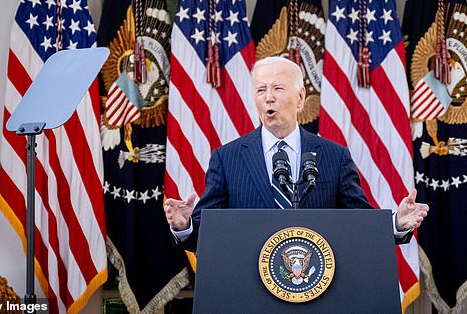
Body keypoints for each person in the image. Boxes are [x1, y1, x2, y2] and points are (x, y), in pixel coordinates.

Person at [164, 56, 429, 250]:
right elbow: (205, 235)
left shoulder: (334, 157)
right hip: (251, 293)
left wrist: (396, 224)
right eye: (261, 90)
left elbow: (358, 223)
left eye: (278, 88)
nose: (268, 97)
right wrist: (184, 225)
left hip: (316, 290)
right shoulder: (227, 158)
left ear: (300, 98)